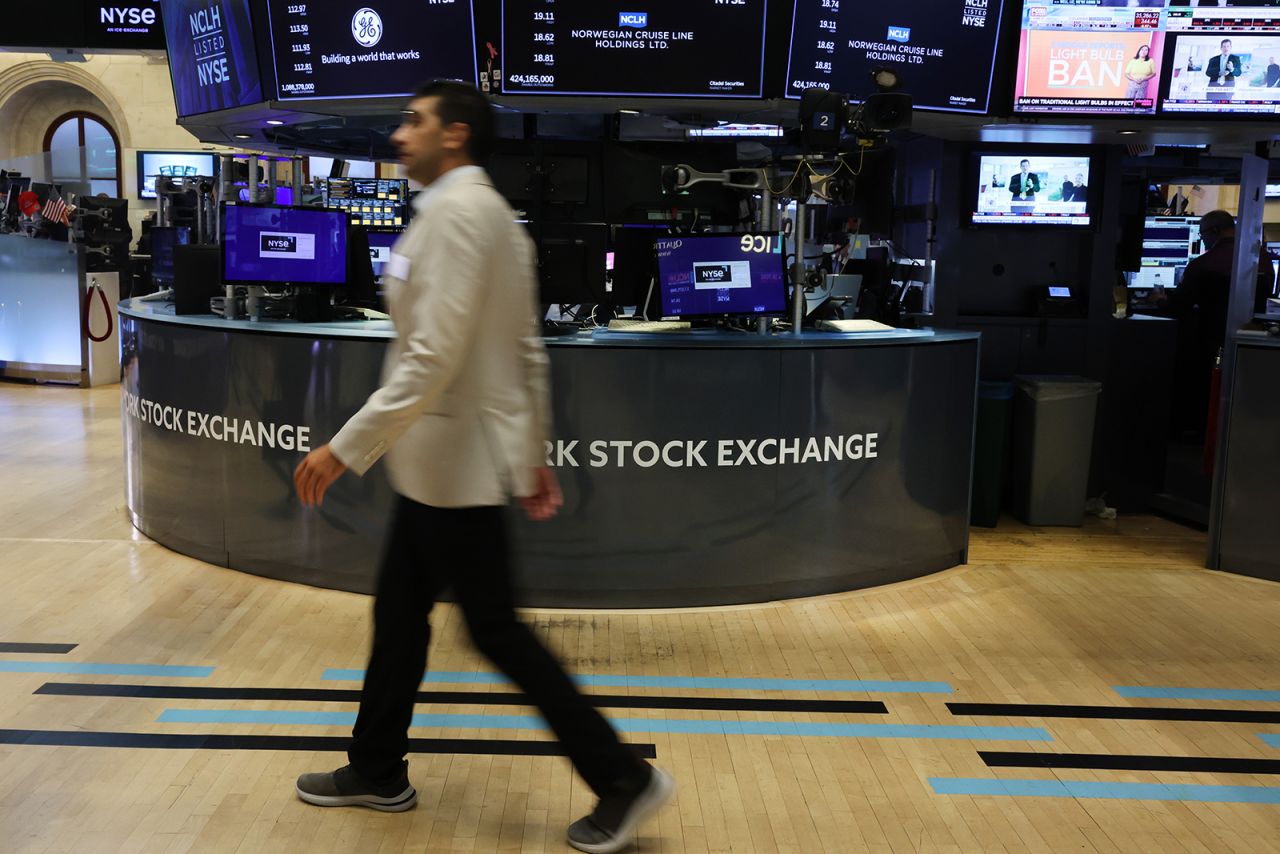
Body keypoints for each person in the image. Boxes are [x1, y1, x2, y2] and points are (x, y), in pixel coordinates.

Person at [291, 80, 673, 854]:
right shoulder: (472, 213)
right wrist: (529, 456)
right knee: (400, 618)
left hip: (452, 472)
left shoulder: (461, 217)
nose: (400, 135)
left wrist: (345, 447)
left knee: (495, 633)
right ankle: (375, 769)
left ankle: (623, 779)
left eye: (414, 122)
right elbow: (523, 350)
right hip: (440, 466)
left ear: (455, 135)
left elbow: (434, 355)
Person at [1159, 211, 1278, 435]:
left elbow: (1178, 307)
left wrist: (1159, 300)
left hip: (1205, 346)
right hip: (1246, 344)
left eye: (1203, 234)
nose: (1202, 239)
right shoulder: (1262, 258)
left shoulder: (1203, 264)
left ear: (1214, 231)